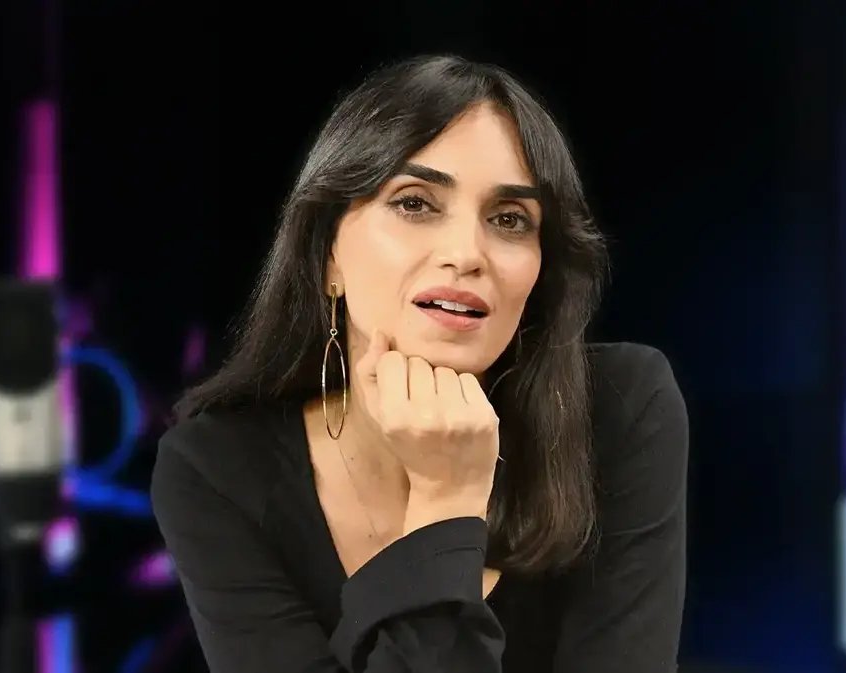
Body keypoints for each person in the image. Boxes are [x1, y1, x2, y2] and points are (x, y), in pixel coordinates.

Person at [150, 54, 688, 673]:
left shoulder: (622, 410)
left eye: (509, 220)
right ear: (326, 253)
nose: (466, 253)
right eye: (415, 204)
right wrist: (445, 501)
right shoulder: (216, 469)